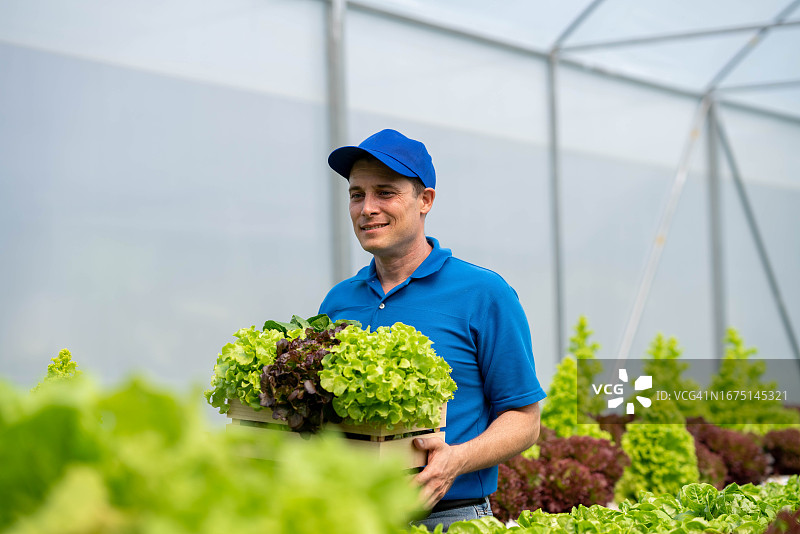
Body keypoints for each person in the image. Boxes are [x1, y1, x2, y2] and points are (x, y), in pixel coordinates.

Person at [319, 129, 546, 532]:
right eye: (357, 195)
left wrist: (455, 460)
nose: (367, 208)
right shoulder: (338, 302)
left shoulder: (483, 293)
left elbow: (525, 419)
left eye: (385, 193)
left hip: (450, 518)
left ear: (425, 201)